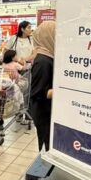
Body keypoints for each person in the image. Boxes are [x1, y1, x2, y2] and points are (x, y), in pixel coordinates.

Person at [30, 21, 56, 152]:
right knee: (47, 146)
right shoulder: (43, 61)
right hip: (44, 112)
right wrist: (64, 91)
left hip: (47, 110)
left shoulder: (48, 56)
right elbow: (38, 93)